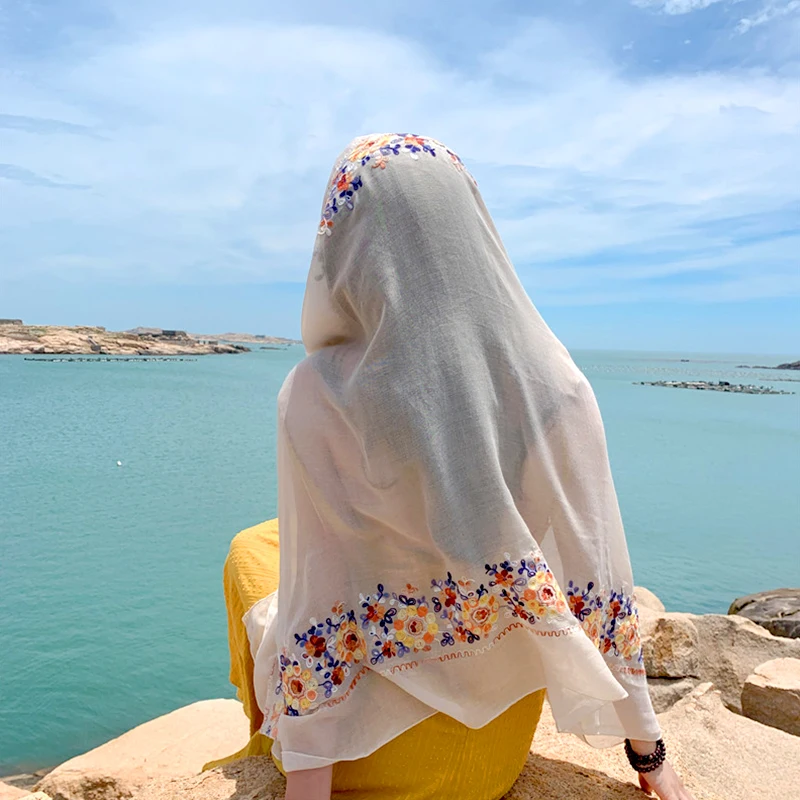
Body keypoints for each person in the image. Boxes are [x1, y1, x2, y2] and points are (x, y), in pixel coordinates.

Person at [208, 133, 697, 800]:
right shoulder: (557, 384)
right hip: (492, 753)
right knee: (276, 545)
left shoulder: (314, 395)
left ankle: (270, 736)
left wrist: (307, 790)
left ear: (341, 242)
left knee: (253, 555)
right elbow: (598, 569)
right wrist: (649, 755)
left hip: (370, 765)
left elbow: (312, 614)